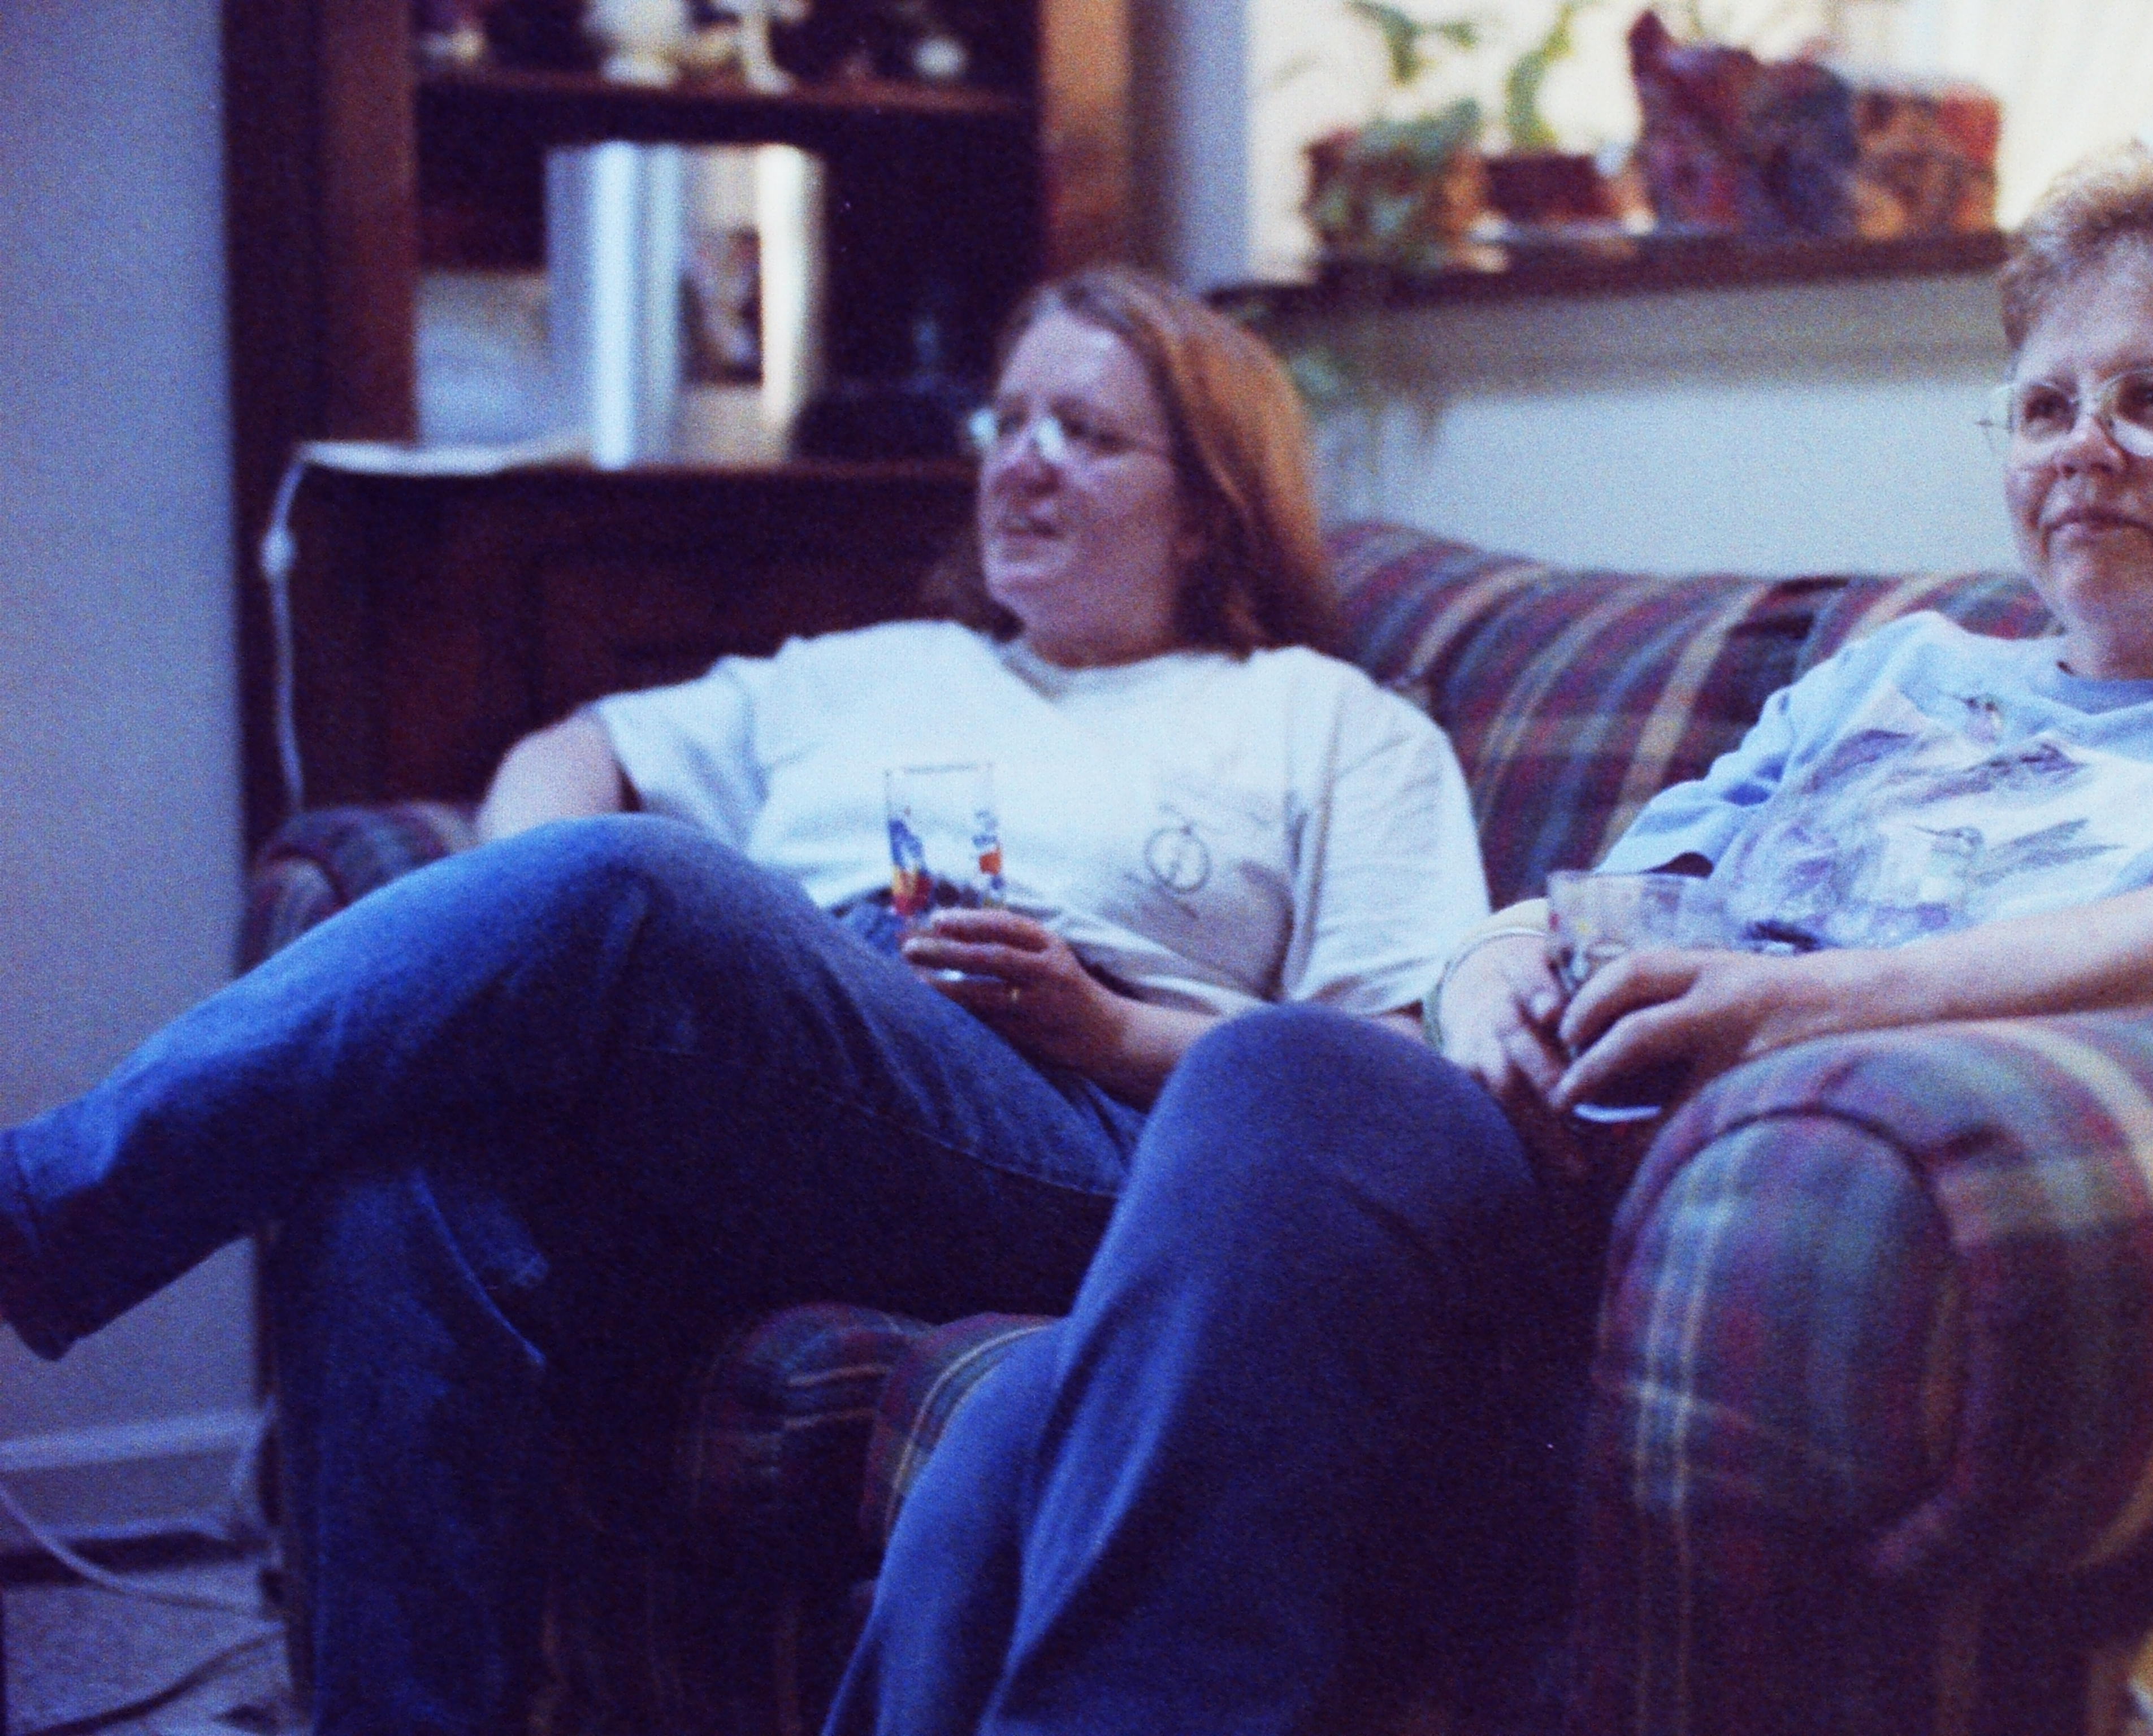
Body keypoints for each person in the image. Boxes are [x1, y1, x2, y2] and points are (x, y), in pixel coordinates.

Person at [828, 145, 2153, 1736]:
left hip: (1776, 1297)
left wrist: (1826, 1004)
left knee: (1083, 1363)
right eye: (2043, 405)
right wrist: (1490, 973)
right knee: (1068, 1364)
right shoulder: (1902, 678)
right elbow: (1596, 902)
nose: (2080, 449)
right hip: (1537, 1201)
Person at [0, 266, 1489, 1735]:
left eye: (1086, 434)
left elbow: (1385, 1081)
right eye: (1008, 421)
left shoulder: (1326, 722)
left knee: (635, 888)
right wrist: (524, 921)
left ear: (1208, 507)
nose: (1023, 463)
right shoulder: (869, 671)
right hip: (789, 1098)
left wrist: (1107, 1027)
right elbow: (572, 755)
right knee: (406, 1192)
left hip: (1089, 1137)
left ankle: (46, 1212)